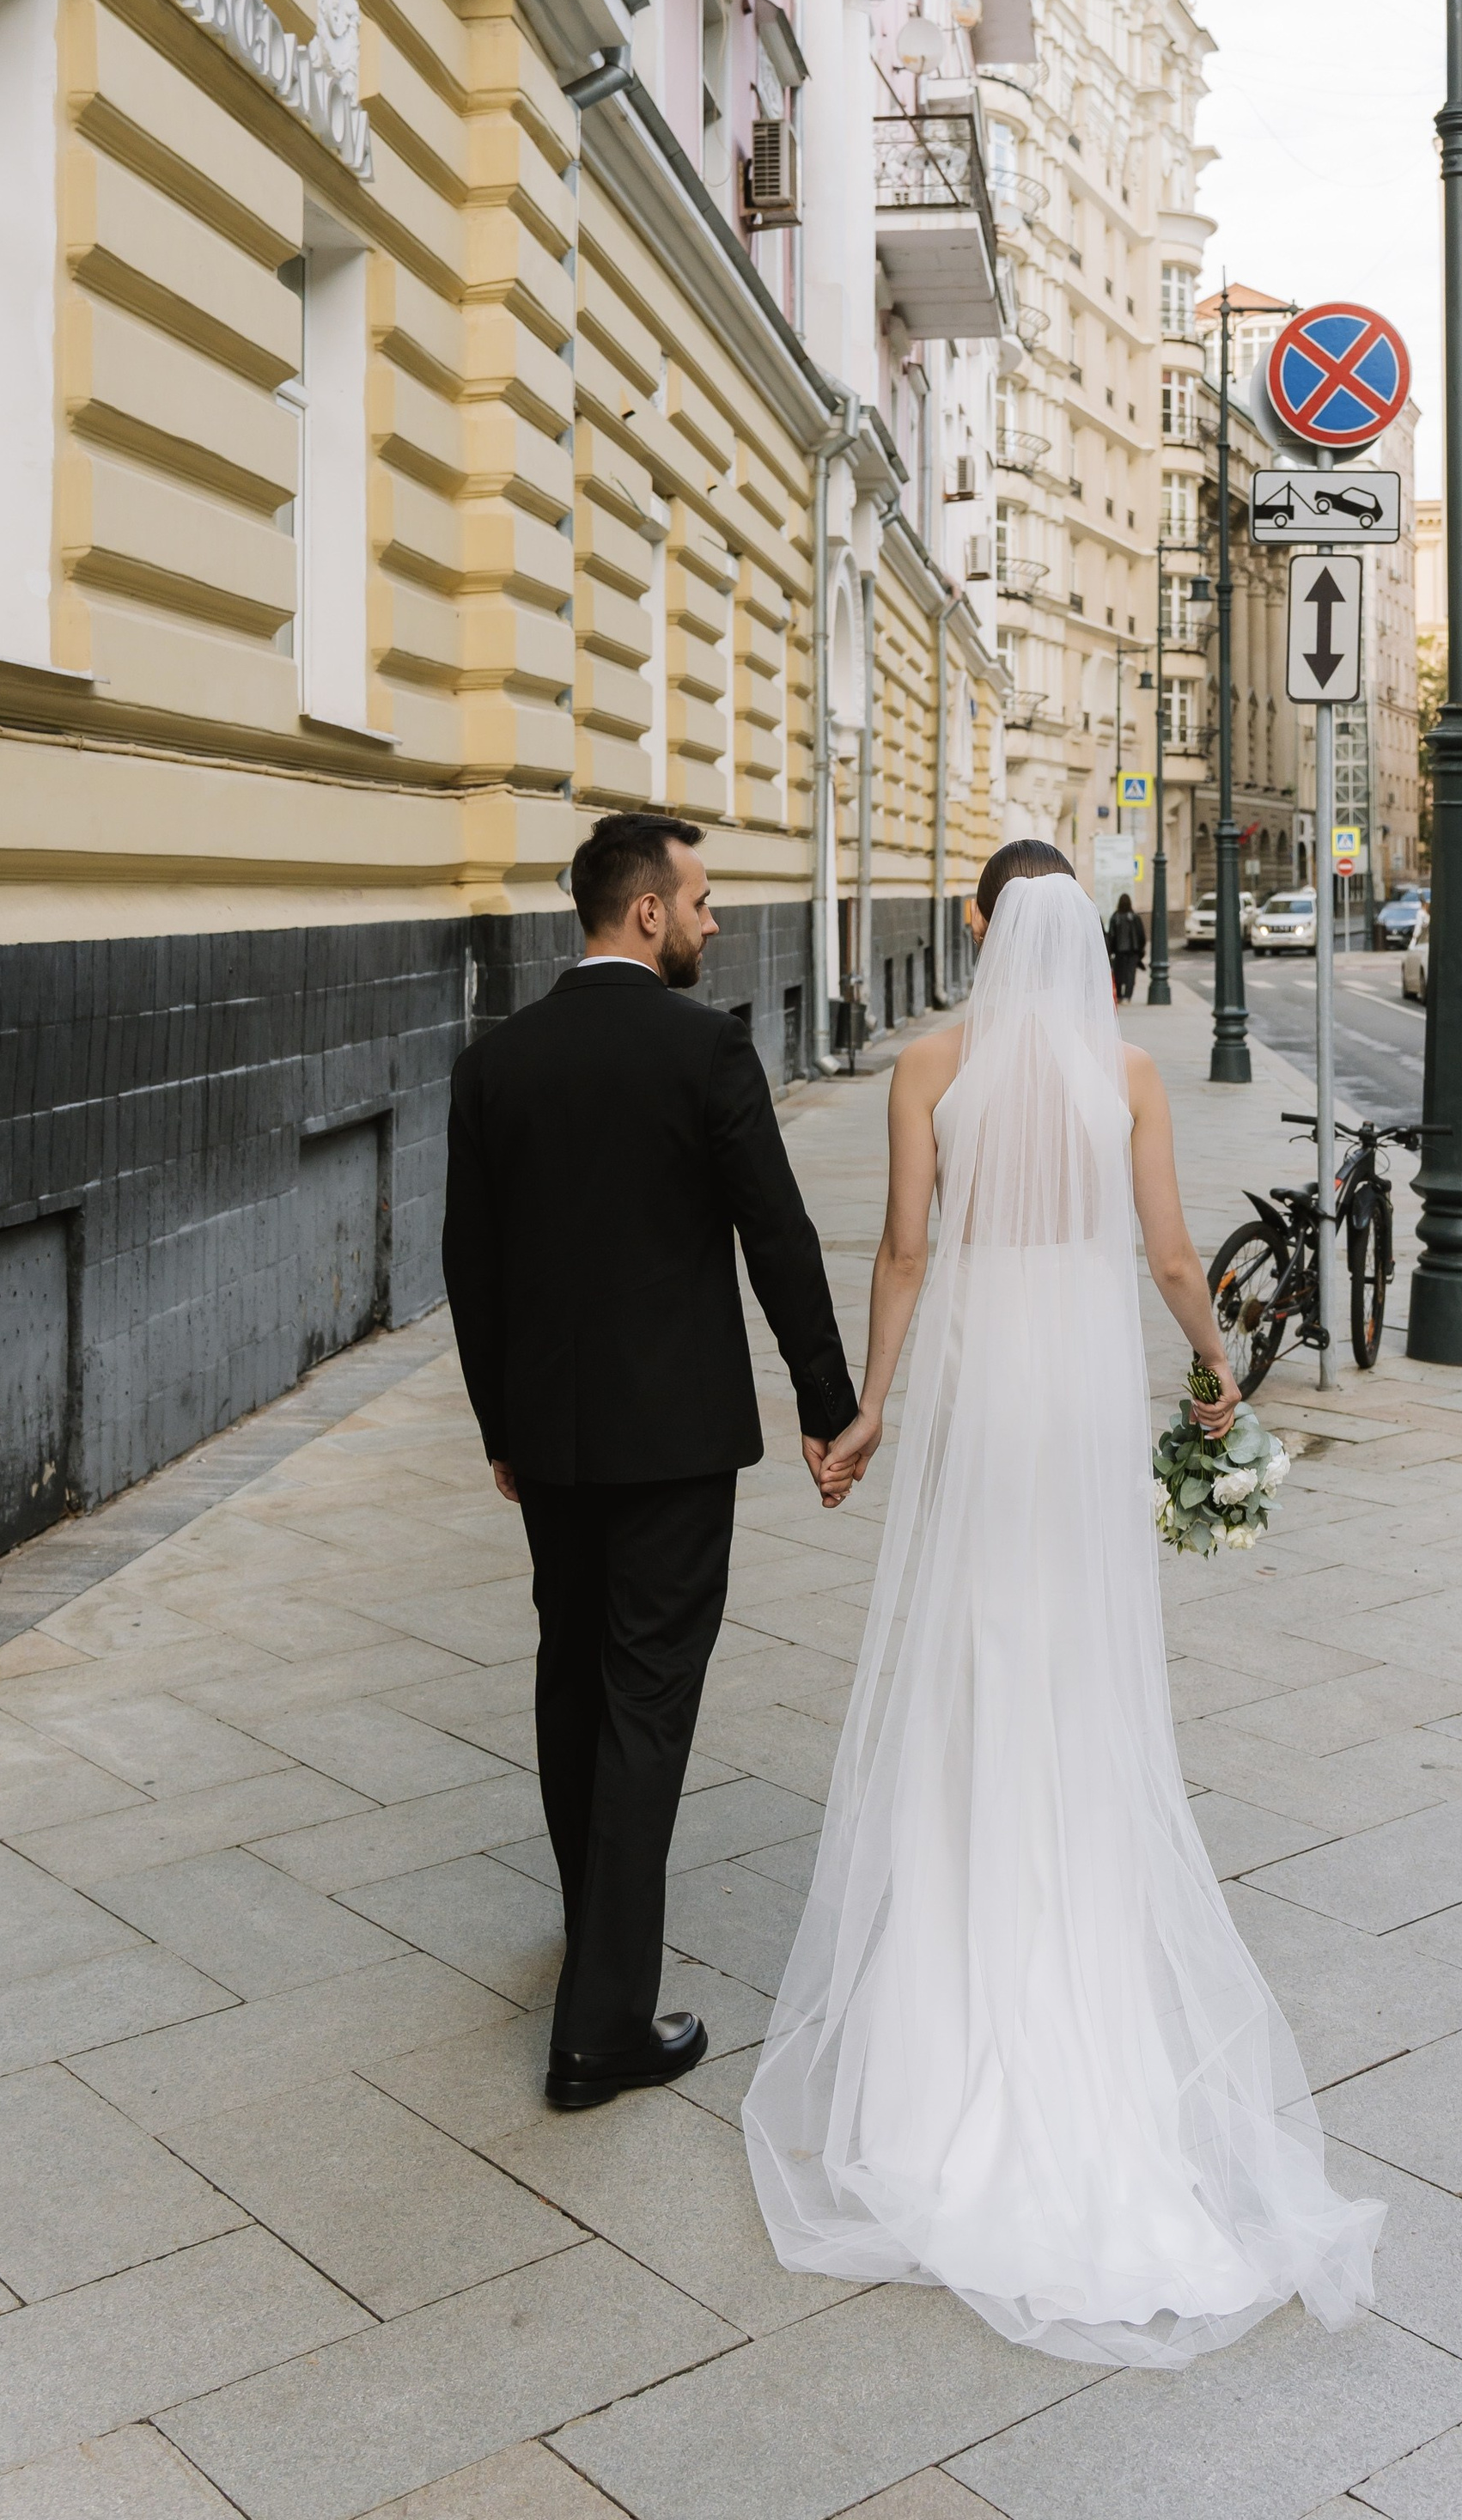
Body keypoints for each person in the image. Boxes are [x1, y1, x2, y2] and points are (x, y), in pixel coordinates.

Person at [745, 840, 1380, 2367]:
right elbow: (1171, 1253)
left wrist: (872, 1405)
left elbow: (903, 1249)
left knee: (974, 1644)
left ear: (976, 933)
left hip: (979, 1376)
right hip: (1082, 1384)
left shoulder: (932, 1071)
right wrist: (1216, 1367)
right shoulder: (1130, 1079)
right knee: (1082, 1656)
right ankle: (1078, 1941)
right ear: (1085, 943)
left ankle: (953, 1990)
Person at [442, 813, 856, 2113]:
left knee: (575, 1679)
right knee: (646, 1702)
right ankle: (603, 2024)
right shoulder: (705, 1048)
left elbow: (471, 1265)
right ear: (644, 915)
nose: (715, 921)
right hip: (675, 1442)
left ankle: (595, 1932)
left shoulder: (498, 1062)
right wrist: (829, 1402)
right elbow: (776, 1239)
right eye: (703, 900)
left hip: (556, 1442)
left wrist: (501, 1427)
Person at [1106, 888, 1148, 1004]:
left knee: (1119, 974)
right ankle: (1127, 997)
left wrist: (1110, 951)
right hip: (1133, 951)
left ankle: (1119, 996)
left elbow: (1111, 936)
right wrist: (1140, 949)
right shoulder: (1134, 917)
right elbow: (1141, 935)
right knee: (1130, 975)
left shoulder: (1115, 917)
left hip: (1119, 951)